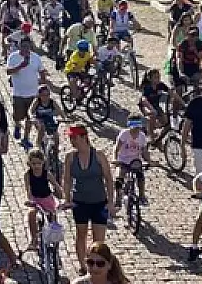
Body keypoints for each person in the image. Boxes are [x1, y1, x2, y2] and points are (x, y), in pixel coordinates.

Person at [62, 125, 116, 273]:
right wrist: (67, 199)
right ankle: (83, 266)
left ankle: (97, 265)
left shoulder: (98, 156)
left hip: (99, 202)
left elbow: (108, 179)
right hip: (79, 202)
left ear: (84, 137)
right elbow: (67, 180)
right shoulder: (70, 157)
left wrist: (111, 202)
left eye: (74, 137)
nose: (72, 141)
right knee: (81, 234)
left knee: (99, 240)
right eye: (70, 138)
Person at [7, 37, 47, 150]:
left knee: (30, 118)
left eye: (28, 46)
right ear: (19, 46)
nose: (26, 48)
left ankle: (26, 138)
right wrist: (21, 66)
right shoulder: (13, 57)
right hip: (18, 93)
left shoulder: (36, 58)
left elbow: (41, 70)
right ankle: (17, 125)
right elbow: (8, 71)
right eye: (23, 46)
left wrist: (42, 79)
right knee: (18, 116)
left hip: (33, 94)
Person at [24, 148, 65, 250]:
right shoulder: (28, 175)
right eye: (33, 163)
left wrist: (60, 195)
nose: (36, 166)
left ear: (43, 162)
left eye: (39, 163)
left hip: (47, 199)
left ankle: (54, 237)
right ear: (29, 163)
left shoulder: (47, 174)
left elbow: (56, 185)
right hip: (35, 199)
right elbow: (28, 190)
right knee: (31, 214)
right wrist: (30, 200)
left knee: (52, 216)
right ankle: (34, 240)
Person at [113, 114, 152, 206]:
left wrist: (149, 161)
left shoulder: (142, 136)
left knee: (141, 177)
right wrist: (115, 159)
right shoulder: (124, 134)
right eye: (134, 127)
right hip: (123, 160)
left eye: (138, 127)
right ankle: (118, 198)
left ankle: (142, 196)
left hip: (135, 161)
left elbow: (144, 151)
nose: (136, 130)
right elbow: (116, 148)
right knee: (119, 178)